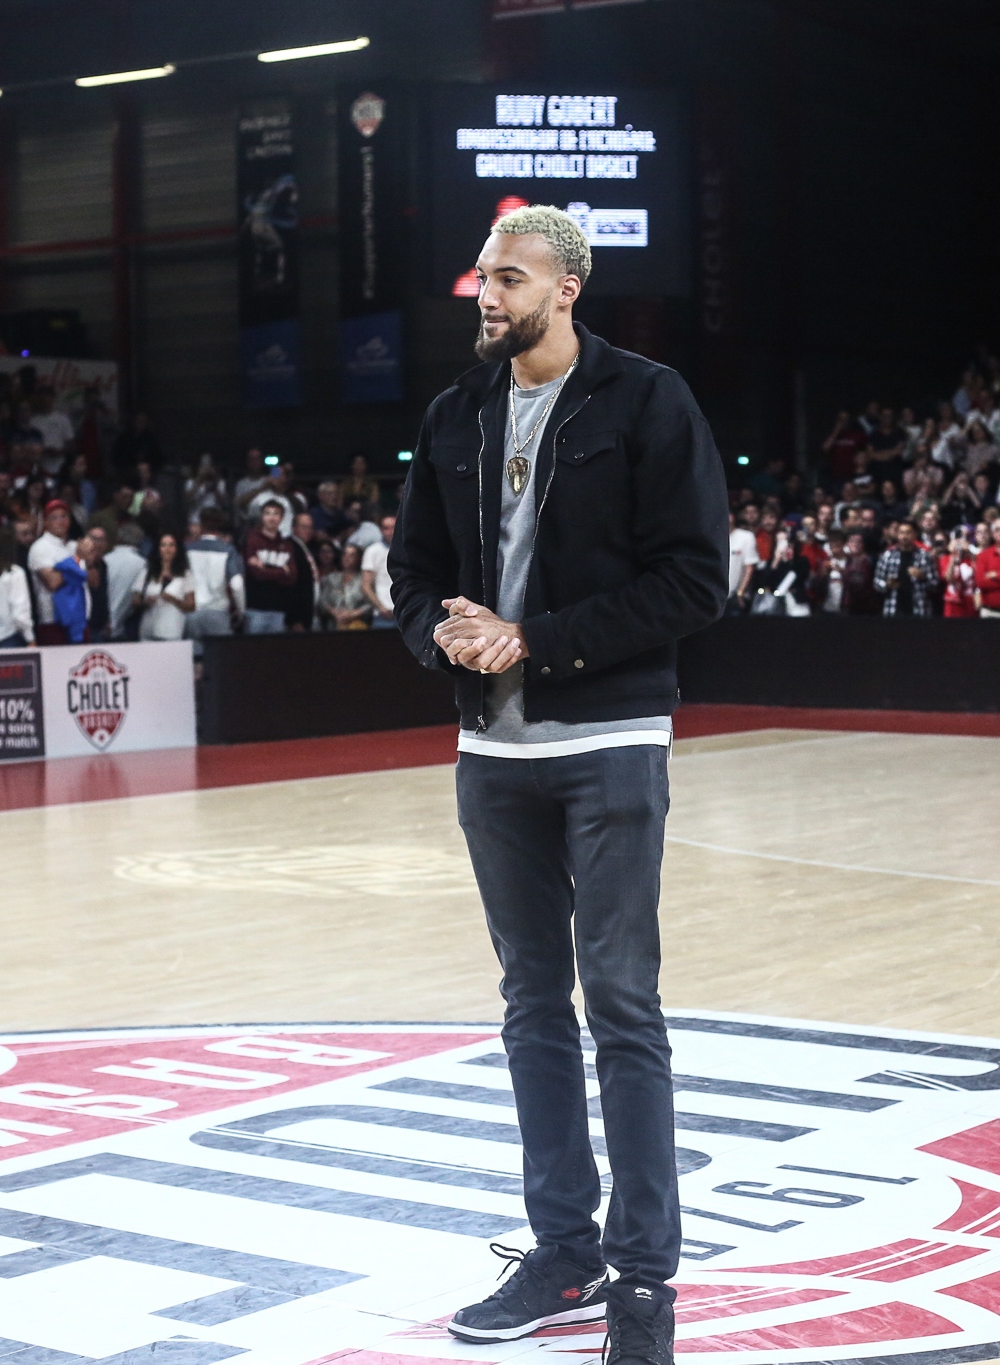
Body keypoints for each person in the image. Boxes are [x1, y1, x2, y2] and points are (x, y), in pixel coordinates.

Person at [386, 203, 726, 1360]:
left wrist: (538, 638)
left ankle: (643, 1284)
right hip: (492, 758)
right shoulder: (452, 415)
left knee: (621, 1006)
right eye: (483, 276)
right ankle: (562, 1254)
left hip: (610, 742)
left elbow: (693, 584)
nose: (488, 293)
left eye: (511, 278)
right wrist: (448, 639)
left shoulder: (647, 399)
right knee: (532, 1009)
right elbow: (413, 575)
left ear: (568, 287)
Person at [242, 499, 308, 634]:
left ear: (282, 518)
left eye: (275, 514)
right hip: (255, 608)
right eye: (267, 513)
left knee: (275, 652)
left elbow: (292, 577)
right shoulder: (252, 539)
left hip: (279, 609)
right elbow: (256, 574)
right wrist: (281, 571)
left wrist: (265, 569)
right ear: (262, 517)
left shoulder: (287, 545)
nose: (271, 518)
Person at [185, 505, 246, 641]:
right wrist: (241, 611)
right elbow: (237, 584)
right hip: (218, 611)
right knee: (220, 658)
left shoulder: (187, 549)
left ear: (201, 524)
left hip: (191, 611)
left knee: (194, 659)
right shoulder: (228, 550)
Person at [26, 500, 78, 642]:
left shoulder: (73, 546)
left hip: (78, 618)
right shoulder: (40, 547)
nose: (60, 521)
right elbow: (53, 582)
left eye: (64, 516)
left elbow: (94, 582)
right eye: (54, 517)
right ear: (46, 522)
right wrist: (78, 560)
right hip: (52, 621)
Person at [139, 531, 196, 640]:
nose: (167, 549)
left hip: (172, 630)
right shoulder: (148, 572)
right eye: (163, 545)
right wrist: (146, 602)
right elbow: (135, 600)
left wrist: (173, 599)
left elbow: (191, 605)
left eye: (171, 545)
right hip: (148, 628)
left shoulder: (185, 574)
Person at [103, 522, 148, 639]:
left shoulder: (105, 560)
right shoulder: (142, 564)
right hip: (122, 628)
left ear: (119, 538)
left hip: (102, 626)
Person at [316, 541, 376, 629]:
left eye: (352, 555)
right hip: (333, 627)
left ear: (358, 558)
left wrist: (354, 614)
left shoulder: (364, 580)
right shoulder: (330, 579)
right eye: (345, 554)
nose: (347, 558)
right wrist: (334, 612)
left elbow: (370, 605)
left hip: (359, 626)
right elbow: (322, 602)